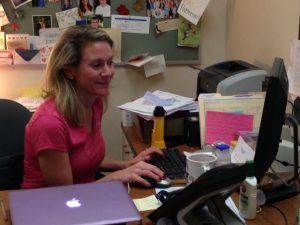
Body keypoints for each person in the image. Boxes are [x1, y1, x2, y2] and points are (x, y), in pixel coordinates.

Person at [22, 25, 165, 189]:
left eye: (110, 62)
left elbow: (84, 160)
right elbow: (64, 195)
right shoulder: (49, 124)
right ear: (69, 71)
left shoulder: (94, 101)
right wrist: (117, 177)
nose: (108, 72)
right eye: (97, 65)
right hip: (47, 206)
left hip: (86, 195)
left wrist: (127, 165)